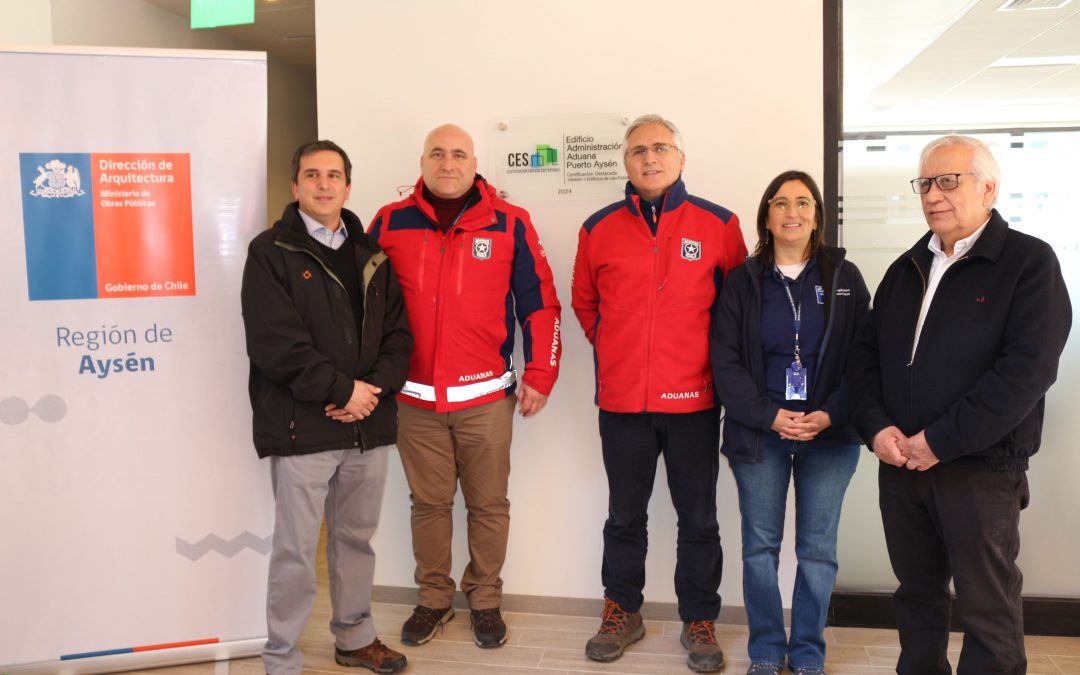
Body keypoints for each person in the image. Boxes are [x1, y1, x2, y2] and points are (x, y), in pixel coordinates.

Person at [849, 135, 1072, 675]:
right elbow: (864, 362)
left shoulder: (1028, 263)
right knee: (917, 596)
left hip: (979, 469)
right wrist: (877, 430)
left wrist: (940, 441)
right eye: (925, 183)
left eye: (948, 180)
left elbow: (1027, 372)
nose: (933, 194)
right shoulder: (906, 267)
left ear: (988, 188)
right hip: (902, 465)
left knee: (987, 604)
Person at [368, 123, 562, 650]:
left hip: (485, 400)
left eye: (458, 154)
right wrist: (369, 380)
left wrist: (541, 374)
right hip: (415, 402)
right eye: (438, 153)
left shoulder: (510, 223)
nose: (447, 163)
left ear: (474, 163)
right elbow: (363, 310)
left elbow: (540, 304)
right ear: (423, 161)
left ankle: (485, 601)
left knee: (489, 506)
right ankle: (433, 600)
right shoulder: (389, 222)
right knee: (428, 506)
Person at [571, 114, 748, 673]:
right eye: (639, 150)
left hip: (694, 403)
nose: (650, 158)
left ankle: (699, 620)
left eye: (661, 148)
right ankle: (623, 609)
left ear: (681, 158)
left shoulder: (719, 224)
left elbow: (736, 310)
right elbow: (584, 303)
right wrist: (620, 350)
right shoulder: (598, 227)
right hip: (622, 404)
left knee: (698, 519)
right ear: (625, 163)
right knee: (625, 516)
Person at [241, 140, 413, 675]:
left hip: (368, 427)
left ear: (348, 186)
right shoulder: (270, 252)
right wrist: (344, 392)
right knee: (296, 551)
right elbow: (275, 344)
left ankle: (355, 639)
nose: (323, 184)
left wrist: (371, 392)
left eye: (333, 175)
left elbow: (399, 338)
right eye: (311, 175)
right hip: (302, 429)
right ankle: (282, 657)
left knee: (354, 541)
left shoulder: (373, 254)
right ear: (295, 186)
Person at [710, 171, 870, 675]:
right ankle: (764, 651)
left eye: (803, 203)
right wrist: (770, 415)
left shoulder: (846, 278)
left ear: (817, 215)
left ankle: (806, 654)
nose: (792, 212)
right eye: (781, 203)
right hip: (761, 435)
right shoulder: (743, 281)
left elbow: (866, 361)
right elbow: (725, 362)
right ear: (767, 216)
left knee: (817, 550)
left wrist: (829, 414)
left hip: (830, 434)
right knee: (759, 548)